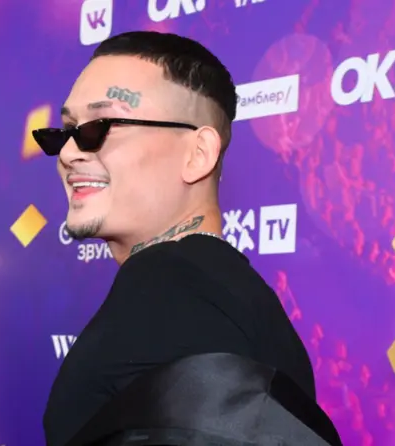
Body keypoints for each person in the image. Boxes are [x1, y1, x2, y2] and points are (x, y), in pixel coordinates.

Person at [33, 31, 316, 446]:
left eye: (99, 127)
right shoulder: (225, 293)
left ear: (198, 154)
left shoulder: (169, 288)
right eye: (67, 131)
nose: (68, 153)